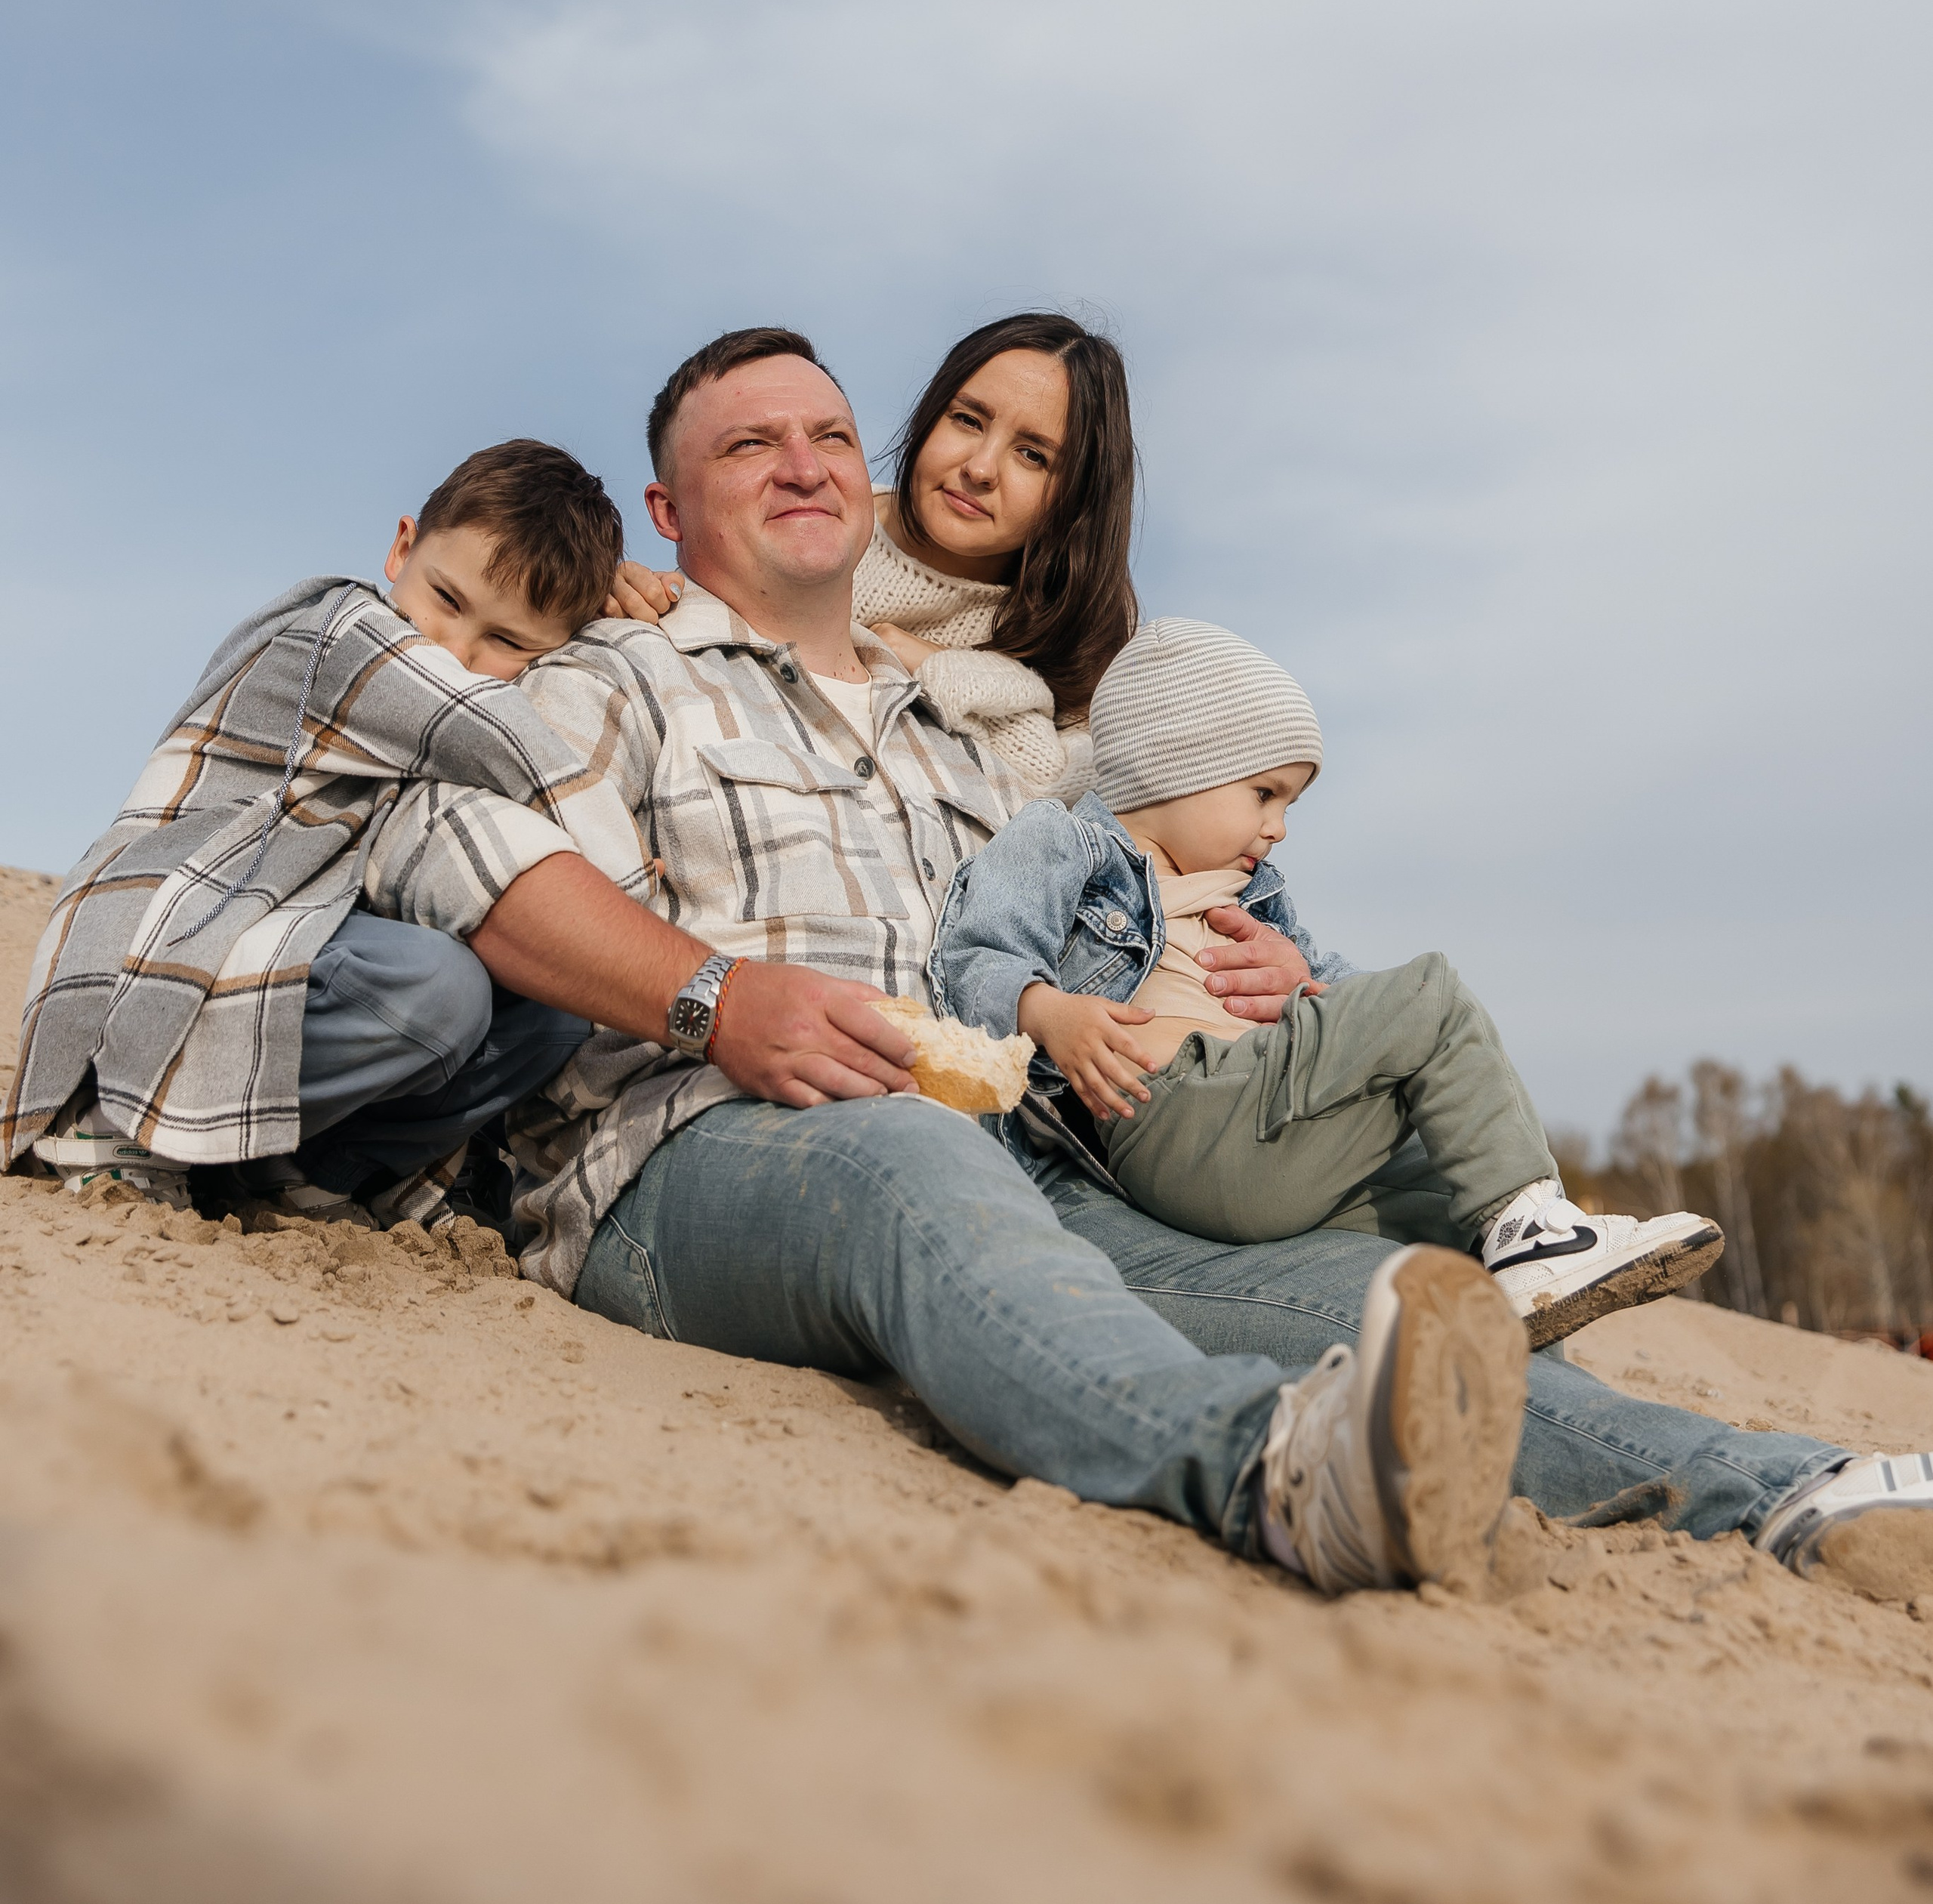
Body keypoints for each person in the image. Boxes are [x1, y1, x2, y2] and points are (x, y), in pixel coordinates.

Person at [373, 323, 1933, 1603]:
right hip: (695, 1160)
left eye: (827, 437)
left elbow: (1131, 904)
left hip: (1028, 1156)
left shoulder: (980, 750)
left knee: (1363, 1286)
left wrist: (1253, 976)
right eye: (746, 445)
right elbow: (462, 861)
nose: (801, 463)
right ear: (667, 512)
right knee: (916, 1176)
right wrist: (712, 1000)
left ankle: (1798, 1491)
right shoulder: (609, 669)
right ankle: (1267, 1470)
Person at [933, 615, 1722, 1349]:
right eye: (1264, 794)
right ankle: (1535, 1235)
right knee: (1429, 993)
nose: (1278, 827)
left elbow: (1361, 1022)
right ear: (1173, 764)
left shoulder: (1257, 898)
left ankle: (1505, 1274)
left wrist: (1301, 981)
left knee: (1434, 1167)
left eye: (1290, 803)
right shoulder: (1066, 844)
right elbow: (974, 953)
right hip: (1172, 1114)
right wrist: (1048, 1014)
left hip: (1259, 1145)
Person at [5, 442, 643, 1223]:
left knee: (554, 1009)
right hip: (159, 948)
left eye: (507, 643)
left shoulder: (439, 672)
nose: (454, 648)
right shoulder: (342, 628)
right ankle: (106, 1122)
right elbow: (518, 749)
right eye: (444, 596)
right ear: (402, 547)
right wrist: (645, 923)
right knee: (434, 987)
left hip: (287, 937)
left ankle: (294, 1172)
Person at [610, 309, 1138, 799]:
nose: (980, 469)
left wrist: (939, 666)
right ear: (929, 417)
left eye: (1033, 455)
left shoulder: (1086, 630)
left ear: (1077, 494)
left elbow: (1082, 792)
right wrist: (625, 591)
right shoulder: (816, 523)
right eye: (968, 420)